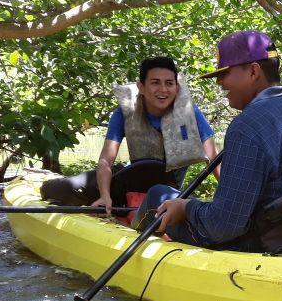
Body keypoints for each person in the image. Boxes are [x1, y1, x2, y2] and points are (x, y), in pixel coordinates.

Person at [132, 31, 282, 250]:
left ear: (253, 71)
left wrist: (186, 207)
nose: (219, 82)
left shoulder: (246, 126)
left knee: (157, 194)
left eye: (224, 73)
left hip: (259, 241)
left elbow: (222, 227)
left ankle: (127, 235)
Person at [40, 56, 218, 212]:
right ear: (141, 86)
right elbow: (105, 161)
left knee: (186, 207)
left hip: (164, 190)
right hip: (126, 180)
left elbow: (214, 158)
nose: (163, 90)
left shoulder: (190, 113)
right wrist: (104, 196)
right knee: (57, 190)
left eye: (169, 83)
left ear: (177, 88)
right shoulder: (124, 113)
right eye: (155, 83)